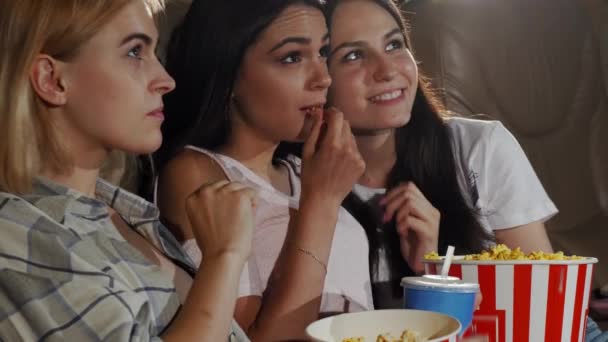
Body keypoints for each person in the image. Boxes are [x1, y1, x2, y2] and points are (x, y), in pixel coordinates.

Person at [0, 0, 254, 340]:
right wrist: (224, 257)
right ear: (53, 80)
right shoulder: (18, 234)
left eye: (154, 53)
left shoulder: (119, 210)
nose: (166, 80)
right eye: (135, 52)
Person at [155, 0, 373, 339]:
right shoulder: (199, 174)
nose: (324, 78)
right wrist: (322, 203)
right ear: (227, 75)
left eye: (323, 52)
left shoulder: (306, 170)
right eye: (292, 58)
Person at [324, 0, 556, 309]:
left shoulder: (480, 147)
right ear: (317, 78)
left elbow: (546, 303)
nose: (388, 70)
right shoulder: (300, 187)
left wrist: (434, 272)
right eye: (353, 55)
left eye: (394, 44)